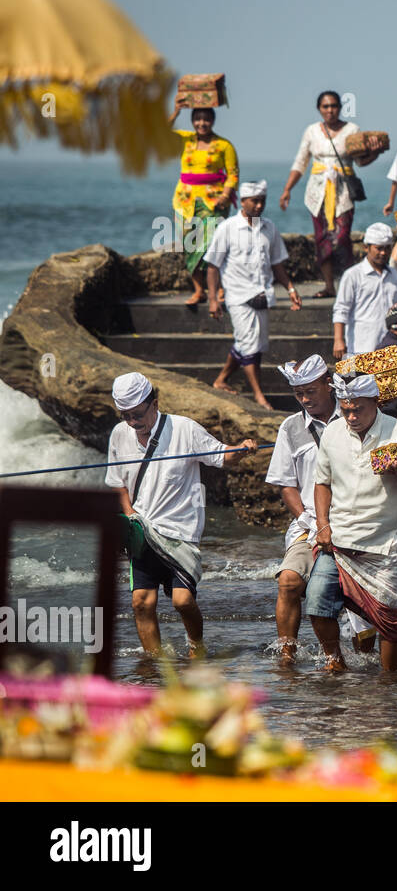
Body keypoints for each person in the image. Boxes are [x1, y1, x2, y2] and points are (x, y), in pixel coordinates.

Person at [106, 373, 256, 657]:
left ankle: (196, 648)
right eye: (125, 415)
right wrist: (129, 515)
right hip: (143, 532)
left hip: (180, 534)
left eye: (137, 414)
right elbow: (117, 482)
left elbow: (220, 455)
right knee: (141, 602)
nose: (132, 422)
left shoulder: (184, 429)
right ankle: (155, 662)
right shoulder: (119, 434)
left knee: (182, 601)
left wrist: (241, 450)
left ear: (154, 404)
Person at [308, 374, 397, 672]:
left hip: (383, 543)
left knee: (387, 620)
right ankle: (335, 662)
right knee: (317, 604)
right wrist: (323, 524)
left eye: (358, 409)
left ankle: (390, 681)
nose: (351, 416)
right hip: (338, 540)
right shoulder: (333, 432)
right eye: (346, 409)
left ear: (376, 403)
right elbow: (322, 483)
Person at [264, 356, 338, 663]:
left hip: (354, 521)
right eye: (299, 394)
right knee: (289, 580)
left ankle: (338, 658)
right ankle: (287, 653)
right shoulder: (290, 427)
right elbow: (286, 484)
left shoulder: (353, 417)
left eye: (310, 391)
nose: (305, 399)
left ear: (328, 385)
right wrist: (308, 520)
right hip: (307, 524)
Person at [204, 181, 302, 409]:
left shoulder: (269, 228)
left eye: (262, 201)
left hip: (263, 294)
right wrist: (212, 299)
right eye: (254, 201)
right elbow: (212, 266)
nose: (259, 206)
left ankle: (221, 379)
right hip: (238, 296)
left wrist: (291, 289)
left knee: (256, 345)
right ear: (242, 201)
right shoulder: (227, 228)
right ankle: (259, 395)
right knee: (248, 344)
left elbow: (277, 264)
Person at [280, 91, 383, 297]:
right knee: (322, 239)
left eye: (334, 106)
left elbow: (361, 161)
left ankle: (350, 286)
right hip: (317, 192)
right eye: (326, 107)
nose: (330, 110)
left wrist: (375, 151)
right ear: (319, 109)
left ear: (340, 108)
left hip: (342, 189)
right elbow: (301, 162)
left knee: (342, 237)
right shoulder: (311, 131)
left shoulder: (352, 130)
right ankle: (329, 286)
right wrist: (287, 189)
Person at [166, 98, 238, 305]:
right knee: (190, 246)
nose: (201, 124)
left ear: (213, 121)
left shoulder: (224, 145)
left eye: (206, 120)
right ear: (192, 121)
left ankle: (221, 289)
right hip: (184, 201)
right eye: (197, 119)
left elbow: (232, 174)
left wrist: (225, 196)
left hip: (213, 202)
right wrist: (176, 112)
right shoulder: (185, 140)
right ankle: (199, 291)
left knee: (213, 246)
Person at [332, 223, 397, 359]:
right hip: (361, 345)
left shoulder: (394, 275)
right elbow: (341, 309)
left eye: (387, 248)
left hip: (390, 347)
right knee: (360, 380)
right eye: (379, 248)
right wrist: (338, 339)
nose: (383, 253)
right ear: (366, 248)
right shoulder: (353, 275)